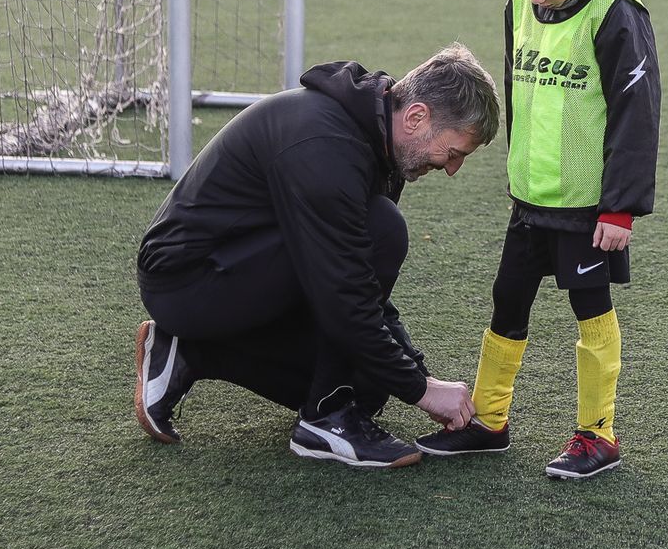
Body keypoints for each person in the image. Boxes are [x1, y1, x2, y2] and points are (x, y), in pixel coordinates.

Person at [133, 45, 501, 468]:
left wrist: (415, 374)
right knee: (384, 229)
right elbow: (345, 293)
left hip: (238, 269)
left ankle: (189, 352)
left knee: (368, 385)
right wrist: (421, 388)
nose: (452, 168)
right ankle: (325, 420)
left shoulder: (375, 142)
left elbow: (361, 284)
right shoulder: (326, 146)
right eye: (454, 153)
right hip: (186, 282)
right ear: (416, 117)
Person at [417, 0, 661, 481]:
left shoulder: (617, 13)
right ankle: (490, 423)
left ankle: (596, 434)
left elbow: (638, 114)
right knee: (507, 300)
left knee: (590, 309)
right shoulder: (521, 3)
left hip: (587, 207)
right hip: (530, 198)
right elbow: (517, 86)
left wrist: (620, 208)